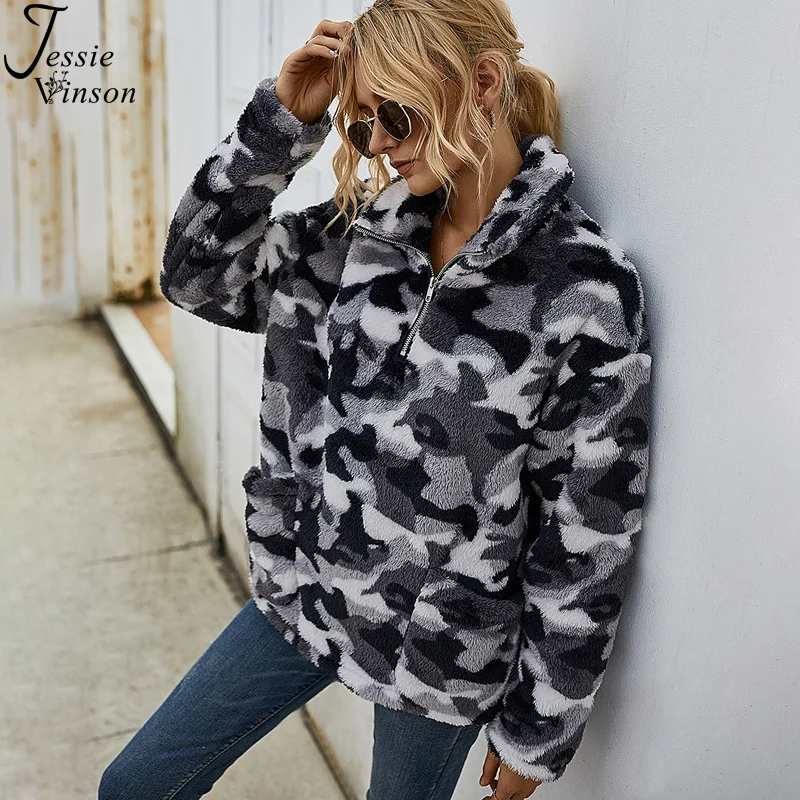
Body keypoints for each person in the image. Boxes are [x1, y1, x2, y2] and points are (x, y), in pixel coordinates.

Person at [99, 1, 653, 798]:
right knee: (135, 784)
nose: (380, 144)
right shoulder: (351, 239)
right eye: (362, 126)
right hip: (306, 594)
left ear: (483, 82)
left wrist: (538, 731)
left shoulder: (584, 293)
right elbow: (197, 274)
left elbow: (588, 535)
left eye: (393, 114)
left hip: (443, 654)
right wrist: (282, 121)